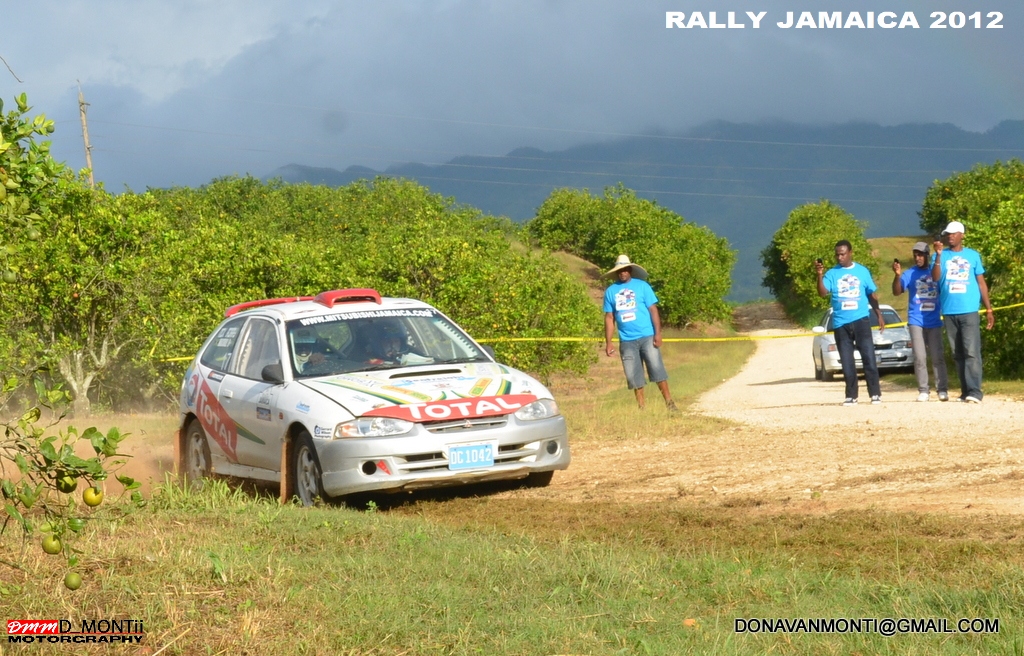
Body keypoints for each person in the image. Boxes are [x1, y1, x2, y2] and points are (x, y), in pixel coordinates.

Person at [602, 255, 678, 412]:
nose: (622, 273)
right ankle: (641, 408)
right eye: (619, 270)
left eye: (625, 269)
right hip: (627, 340)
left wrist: (658, 333)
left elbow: (653, 310)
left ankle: (669, 403)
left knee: (657, 369)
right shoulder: (611, 291)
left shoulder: (643, 286)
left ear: (630, 270)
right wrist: (609, 342)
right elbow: (609, 317)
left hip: (647, 336)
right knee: (633, 375)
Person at [931, 221, 994, 403]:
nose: (950, 236)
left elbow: (981, 283)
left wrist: (988, 308)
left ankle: (975, 391)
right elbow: (935, 277)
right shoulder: (941, 255)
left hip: (969, 310)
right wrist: (938, 256)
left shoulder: (973, 256)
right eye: (947, 234)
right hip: (949, 311)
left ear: (962, 235)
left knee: (971, 352)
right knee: (958, 354)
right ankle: (965, 391)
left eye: (953, 233)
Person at [816, 240, 885, 406]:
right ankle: (851, 395)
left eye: (843, 254)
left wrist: (878, 314)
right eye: (837, 255)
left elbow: (871, 294)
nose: (840, 257)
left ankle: (875, 393)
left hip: (861, 320)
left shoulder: (862, 271)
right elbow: (822, 292)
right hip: (841, 323)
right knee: (847, 361)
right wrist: (819, 275)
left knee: (868, 357)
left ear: (850, 253)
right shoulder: (832, 273)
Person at [892, 242, 949, 402]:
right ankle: (923, 390)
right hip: (916, 320)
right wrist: (897, 275)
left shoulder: (935, 271)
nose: (917, 258)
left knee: (937, 357)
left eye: (921, 255)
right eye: (915, 255)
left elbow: (943, 287)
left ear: (927, 255)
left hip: (934, 321)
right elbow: (897, 292)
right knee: (919, 357)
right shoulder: (910, 273)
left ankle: (942, 389)